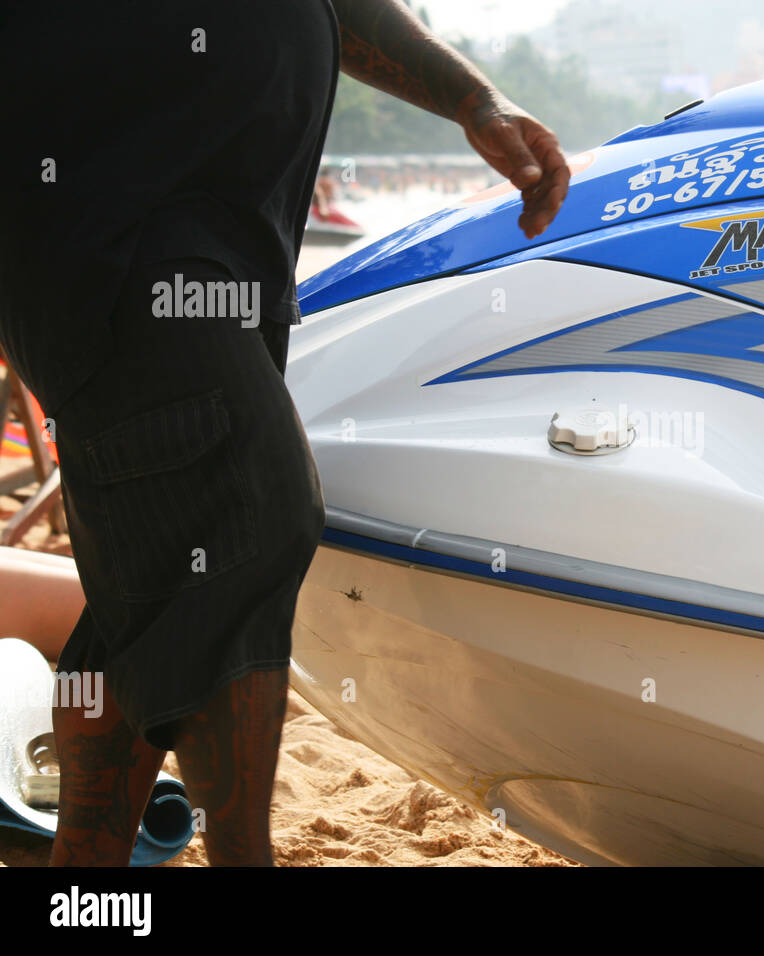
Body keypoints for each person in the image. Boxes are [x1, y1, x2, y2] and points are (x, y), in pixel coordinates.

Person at [0, 0, 568, 866]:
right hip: (109, 231)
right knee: (252, 509)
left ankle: (85, 883)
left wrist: (469, 98)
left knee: (148, 585)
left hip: (234, 249)